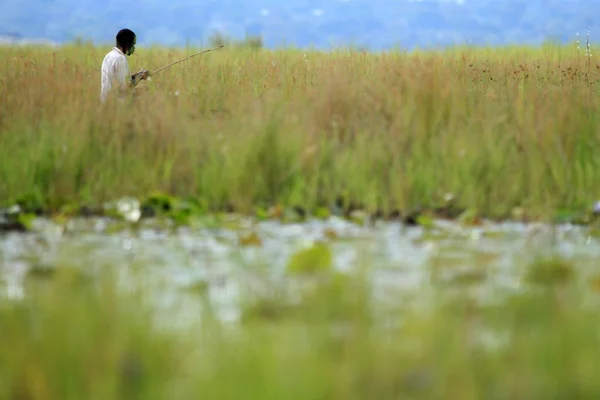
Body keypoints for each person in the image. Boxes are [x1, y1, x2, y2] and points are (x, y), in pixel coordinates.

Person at [100, 28, 150, 103]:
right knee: (145, 92)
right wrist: (140, 77)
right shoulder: (120, 59)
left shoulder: (108, 56)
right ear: (127, 44)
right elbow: (124, 88)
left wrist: (138, 75)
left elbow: (120, 80)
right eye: (133, 44)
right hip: (117, 104)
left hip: (105, 101)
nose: (134, 48)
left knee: (144, 89)